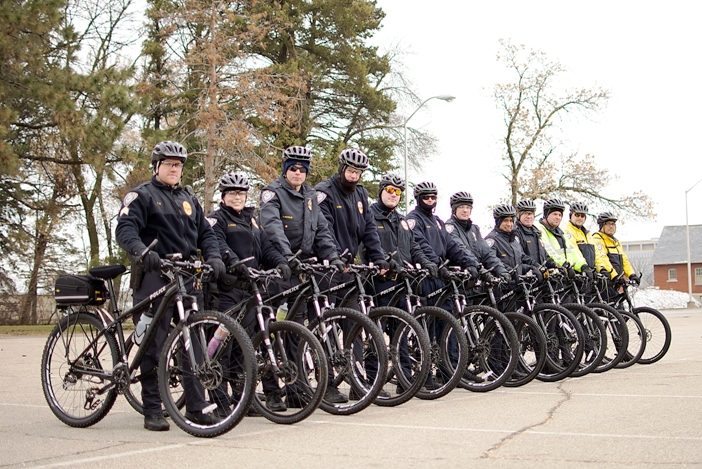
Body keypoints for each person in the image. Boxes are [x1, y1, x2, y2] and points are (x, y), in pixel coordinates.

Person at [115, 140, 226, 431]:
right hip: (154, 273)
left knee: (194, 343)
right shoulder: (142, 196)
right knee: (154, 343)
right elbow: (125, 230)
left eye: (178, 165)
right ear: (157, 166)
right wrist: (142, 251)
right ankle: (152, 407)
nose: (175, 169)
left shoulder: (189, 199)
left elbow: (206, 233)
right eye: (169, 164)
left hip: (187, 276)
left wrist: (213, 255)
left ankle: (196, 406)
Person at [258, 145, 346, 403]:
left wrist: (333, 256)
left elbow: (322, 230)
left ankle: (296, 391)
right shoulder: (272, 193)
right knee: (273, 331)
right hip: (278, 267)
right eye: (293, 168)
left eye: (302, 169)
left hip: (301, 268)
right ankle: (273, 392)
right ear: (285, 170)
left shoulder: (311, 196)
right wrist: (288, 257)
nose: (298, 172)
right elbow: (272, 227)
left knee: (296, 332)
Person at [205, 172, 290, 413]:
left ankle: (244, 399)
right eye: (232, 193)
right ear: (223, 196)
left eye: (241, 193)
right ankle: (220, 402)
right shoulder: (216, 219)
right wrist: (234, 261)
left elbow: (266, 248)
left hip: (250, 292)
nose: (237, 197)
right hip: (226, 290)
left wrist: (280, 262)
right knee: (224, 347)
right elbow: (217, 244)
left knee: (245, 350)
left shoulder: (251, 221)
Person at [444, 191, 509, 281]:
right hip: (460, 280)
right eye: (461, 207)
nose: (465, 210)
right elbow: (460, 249)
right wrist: (477, 266)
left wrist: (501, 270)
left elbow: (487, 253)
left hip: (476, 279)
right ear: (454, 209)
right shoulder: (450, 228)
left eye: (468, 207)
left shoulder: (474, 229)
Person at [536, 198, 593, 278]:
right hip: (553, 276)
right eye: (555, 214)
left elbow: (572, 251)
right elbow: (549, 251)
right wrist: (564, 264)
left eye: (560, 215)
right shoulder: (540, 229)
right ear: (546, 214)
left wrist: (583, 266)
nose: (558, 217)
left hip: (566, 275)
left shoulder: (560, 232)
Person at [485, 204, 541, 279]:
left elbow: (521, 259)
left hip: (517, 284)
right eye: (505, 221)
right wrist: (509, 272)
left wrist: (533, 267)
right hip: (501, 284)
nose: (509, 224)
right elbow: (491, 261)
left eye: (511, 221)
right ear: (498, 222)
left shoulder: (514, 239)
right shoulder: (492, 240)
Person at [592, 212, 639, 285]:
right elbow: (603, 259)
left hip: (617, 282)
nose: (611, 226)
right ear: (602, 226)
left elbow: (624, 261)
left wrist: (632, 275)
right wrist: (615, 276)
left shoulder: (616, 242)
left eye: (613, 224)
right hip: (605, 282)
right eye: (608, 224)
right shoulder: (597, 239)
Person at [513, 199, 558, 270]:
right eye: (525, 213)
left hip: (540, 274)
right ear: (518, 215)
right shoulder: (515, 232)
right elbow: (520, 255)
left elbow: (543, 255)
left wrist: (554, 264)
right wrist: (535, 265)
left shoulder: (536, 232)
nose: (528, 217)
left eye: (530, 214)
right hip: (527, 274)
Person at [563, 201, 596, 275]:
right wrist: (584, 267)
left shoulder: (587, 234)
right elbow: (574, 250)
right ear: (571, 215)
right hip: (577, 273)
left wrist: (601, 269)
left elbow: (596, 255)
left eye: (582, 216)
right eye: (577, 215)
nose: (580, 218)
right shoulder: (567, 231)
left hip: (590, 274)